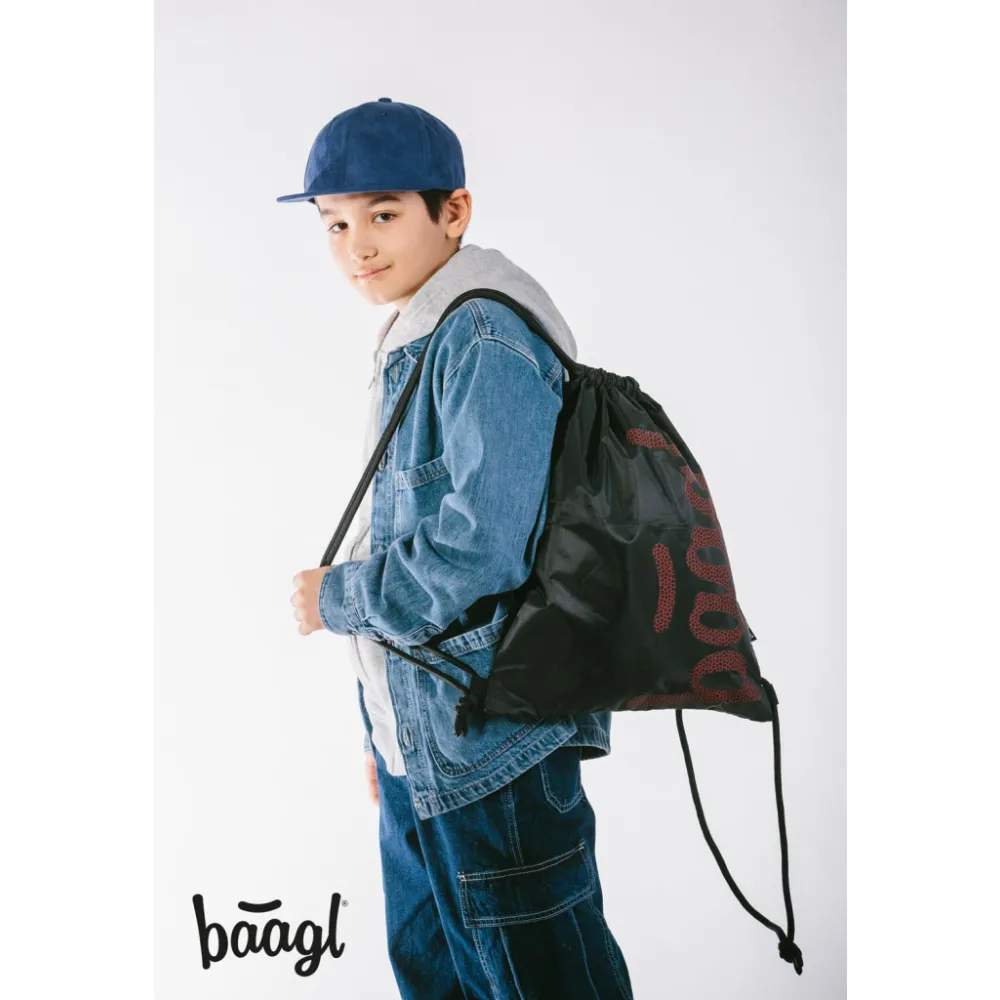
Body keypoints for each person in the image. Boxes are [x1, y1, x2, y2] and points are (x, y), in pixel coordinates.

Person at [283, 98, 633, 999]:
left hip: (490, 746)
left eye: (383, 214)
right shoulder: (418, 334)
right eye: (334, 224)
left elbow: (481, 550)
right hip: (425, 743)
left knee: (539, 982)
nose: (356, 246)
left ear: (454, 211)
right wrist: (386, 734)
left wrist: (337, 597)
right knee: (438, 978)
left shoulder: (481, 334)